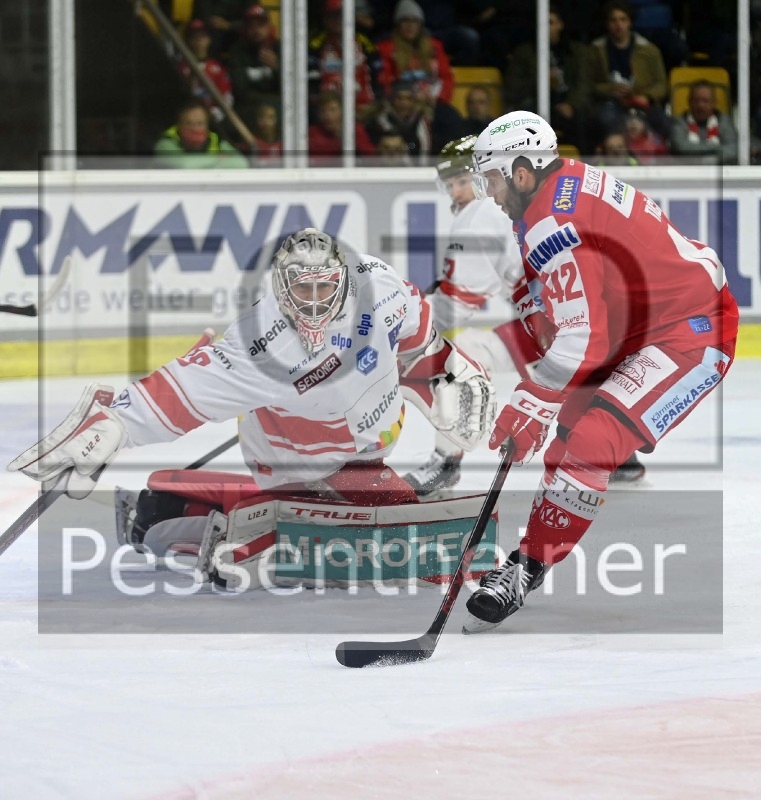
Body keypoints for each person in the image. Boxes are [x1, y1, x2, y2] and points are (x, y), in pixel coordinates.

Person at [8, 229, 496, 588]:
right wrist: (115, 424)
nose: (313, 303)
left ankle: (164, 506)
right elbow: (180, 392)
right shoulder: (261, 342)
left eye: (323, 288)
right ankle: (214, 526)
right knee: (404, 546)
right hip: (300, 456)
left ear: (345, 278)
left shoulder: (380, 285)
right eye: (300, 290)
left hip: (368, 441)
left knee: (353, 528)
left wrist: (449, 371)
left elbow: (418, 341)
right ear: (280, 287)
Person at [463, 111, 739, 632]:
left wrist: (532, 401)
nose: (491, 195)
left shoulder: (552, 220)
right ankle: (612, 450)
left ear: (521, 172)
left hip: (691, 331)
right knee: (570, 435)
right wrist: (537, 314)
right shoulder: (557, 187)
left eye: (494, 180)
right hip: (634, 326)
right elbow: (570, 294)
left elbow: (582, 337)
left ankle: (527, 567)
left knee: (589, 441)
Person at [405, 135, 646, 495]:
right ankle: (619, 456)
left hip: (567, 323)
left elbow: (455, 305)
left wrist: (409, 325)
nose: (456, 192)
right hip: (605, 316)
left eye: (462, 181)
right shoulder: (522, 200)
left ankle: (445, 460)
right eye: (450, 184)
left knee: (459, 352)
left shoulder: (477, 217)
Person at [503, 5, 593, 153]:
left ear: (560, 25)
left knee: (587, 119)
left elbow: (584, 83)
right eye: (542, 23)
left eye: (550, 23)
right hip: (536, 104)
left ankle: (584, 161)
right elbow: (513, 88)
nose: (545, 28)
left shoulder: (577, 51)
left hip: (569, 104)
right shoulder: (524, 53)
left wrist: (571, 104)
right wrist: (541, 80)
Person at [588, 0, 670, 142]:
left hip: (641, 101)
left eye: (623, 20)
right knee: (607, 118)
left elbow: (661, 84)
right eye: (613, 20)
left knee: (666, 124)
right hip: (611, 103)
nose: (618, 25)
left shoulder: (649, 50)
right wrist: (610, 89)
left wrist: (647, 96)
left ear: (630, 22)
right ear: (607, 24)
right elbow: (590, 84)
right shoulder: (596, 49)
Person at [307, 0, 384, 124]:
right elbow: (312, 86)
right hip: (328, 112)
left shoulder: (365, 43)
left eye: (341, 15)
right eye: (333, 16)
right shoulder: (316, 46)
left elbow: (378, 79)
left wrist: (372, 107)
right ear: (325, 19)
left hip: (364, 110)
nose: (337, 20)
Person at [153, 99, 249, 168]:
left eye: (200, 124)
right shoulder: (166, 143)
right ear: (179, 125)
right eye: (189, 123)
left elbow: (241, 163)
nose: (195, 128)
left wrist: (204, 170)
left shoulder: (216, 140)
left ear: (207, 125)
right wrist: (216, 159)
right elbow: (185, 165)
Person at [670, 79, 739, 165]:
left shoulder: (724, 121)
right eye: (696, 101)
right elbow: (680, 147)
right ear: (689, 102)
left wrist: (704, 160)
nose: (700, 105)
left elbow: (732, 150)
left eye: (705, 101)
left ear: (714, 103)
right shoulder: (679, 121)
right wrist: (717, 148)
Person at [308, 90, 377, 158]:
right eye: (323, 111)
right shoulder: (313, 132)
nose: (327, 115)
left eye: (333, 110)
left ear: (342, 111)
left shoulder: (355, 130)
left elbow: (371, 157)